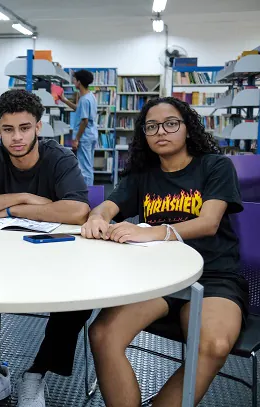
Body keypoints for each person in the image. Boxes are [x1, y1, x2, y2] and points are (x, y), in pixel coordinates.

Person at [82, 97, 248, 407]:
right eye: (151, 126)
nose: (162, 131)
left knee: (213, 344)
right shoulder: (142, 175)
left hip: (212, 276)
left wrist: (151, 231)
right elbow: (109, 205)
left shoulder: (215, 165)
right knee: (103, 335)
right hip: (155, 278)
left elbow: (209, 222)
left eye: (171, 123)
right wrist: (97, 217)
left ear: (187, 128)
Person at [0, 89, 91, 407]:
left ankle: (36, 373)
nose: (16, 137)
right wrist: (22, 199)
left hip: (54, 259)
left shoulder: (59, 158)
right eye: (8, 129)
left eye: (24, 128)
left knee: (80, 298)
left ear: (38, 127)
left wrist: (7, 209)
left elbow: (76, 211)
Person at [59, 69, 99, 186]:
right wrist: (64, 100)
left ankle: (88, 195)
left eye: (75, 80)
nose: (73, 82)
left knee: (85, 168)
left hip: (85, 137)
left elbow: (84, 121)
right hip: (91, 135)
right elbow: (78, 109)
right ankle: (89, 192)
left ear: (79, 82)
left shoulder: (85, 99)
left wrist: (76, 139)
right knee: (88, 165)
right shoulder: (89, 96)